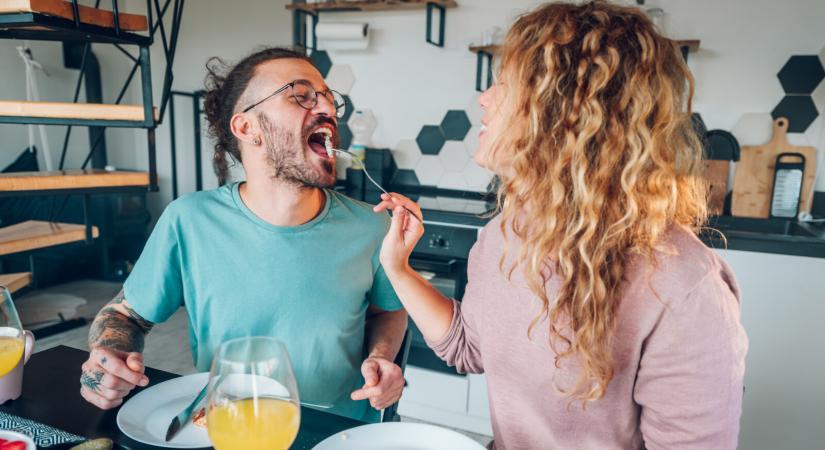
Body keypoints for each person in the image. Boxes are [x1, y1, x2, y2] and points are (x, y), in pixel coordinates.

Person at [374, 1, 748, 448]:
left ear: (566, 113)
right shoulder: (504, 235)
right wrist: (399, 268)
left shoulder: (683, 284)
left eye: (505, 84)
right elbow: (467, 348)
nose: (484, 99)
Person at [78, 47, 407, 423]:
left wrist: (381, 358)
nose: (328, 110)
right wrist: (107, 362)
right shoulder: (189, 220)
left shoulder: (373, 225)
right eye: (301, 95)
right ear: (246, 127)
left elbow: (387, 311)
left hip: (341, 429)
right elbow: (126, 316)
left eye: (331, 100)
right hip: (231, 425)